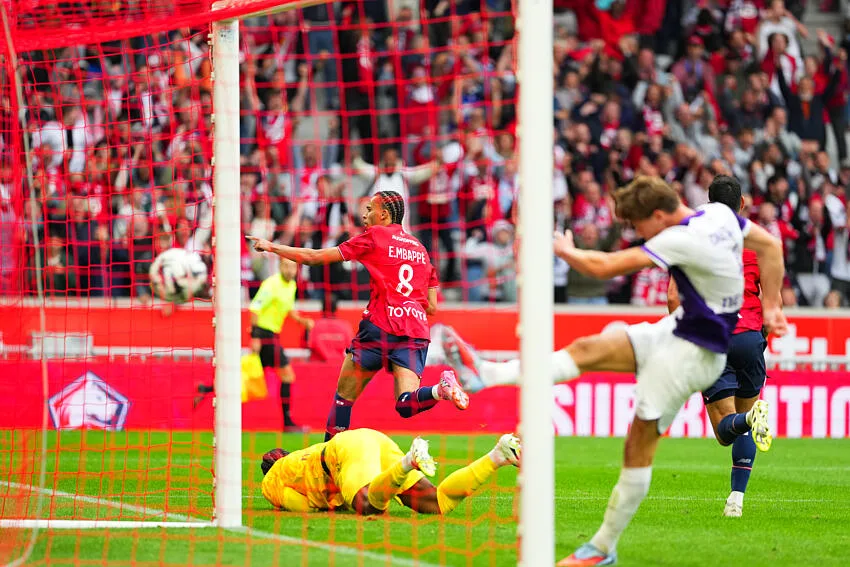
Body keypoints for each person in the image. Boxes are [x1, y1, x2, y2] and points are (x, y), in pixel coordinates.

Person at [440, 176, 788, 566]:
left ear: (658, 215)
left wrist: (563, 249)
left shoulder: (681, 237)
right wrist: (772, 306)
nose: (639, 234)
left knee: (637, 446)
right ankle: (485, 373)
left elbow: (604, 266)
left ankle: (602, 548)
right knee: (588, 348)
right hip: (679, 330)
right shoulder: (718, 217)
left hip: (694, 355)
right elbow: (772, 246)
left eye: (639, 226)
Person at [247, 190, 469, 442]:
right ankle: (441, 390)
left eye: (369, 210)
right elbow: (431, 306)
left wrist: (272, 246)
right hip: (414, 332)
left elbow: (315, 257)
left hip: (380, 328)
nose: (364, 215)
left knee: (344, 399)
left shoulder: (374, 236)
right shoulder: (421, 250)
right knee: (405, 405)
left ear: (384, 214)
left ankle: (328, 466)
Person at [667, 175, 770, 518]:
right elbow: (773, 301)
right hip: (750, 338)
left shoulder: (692, 238)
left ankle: (749, 419)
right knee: (745, 417)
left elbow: (672, 297)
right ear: (742, 205)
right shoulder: (759, 243)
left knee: (727, 429)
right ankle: (736, 500)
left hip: (715, 338)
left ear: (709, 204)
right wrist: (760, 338)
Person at [259, 428, 520, 515]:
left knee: (367, 505)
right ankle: (498, 456)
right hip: (372, 438)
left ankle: (407, 462)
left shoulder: (271, 479)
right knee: (438, 503)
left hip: (344, 451)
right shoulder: (298, 456)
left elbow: (302, 507)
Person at [249, 257, 315, 431]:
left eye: (293, 267)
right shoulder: (271, 284)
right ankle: (287, 424)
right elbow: (255, 308)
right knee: (287, 376)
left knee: (247, 376)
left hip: (272, 336)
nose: (289, 270)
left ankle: (206, 388)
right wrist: (254, 337)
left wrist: (302, 321)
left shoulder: (291, 285)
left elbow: (288, 309)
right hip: (264, 334)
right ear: (279, 267)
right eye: (286, 266)